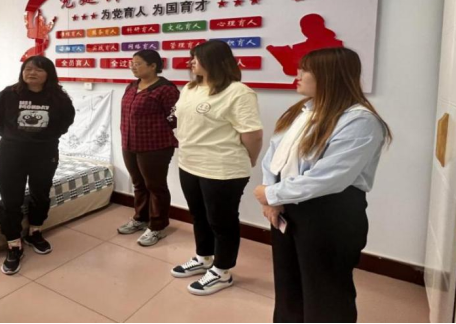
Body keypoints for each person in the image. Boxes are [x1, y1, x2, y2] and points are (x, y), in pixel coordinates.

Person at [254, 48, 392, 323]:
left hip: (330, 215)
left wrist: (272, 194)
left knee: (326, 293)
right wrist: (272, 197)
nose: (297, 74)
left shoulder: (359, 120)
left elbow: (329, 177)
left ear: (330, 75)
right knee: (289, 284)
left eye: (305, 70)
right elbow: (274, 156)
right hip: (286, 207)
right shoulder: (302, 110)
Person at [170, 40, 264, 296]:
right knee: (199, 215)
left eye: (197, 57)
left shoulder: (238, 92)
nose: (191, 62)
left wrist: (250, 159)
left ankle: (222, 271)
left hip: (222, 167)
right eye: (191, 57)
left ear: (214, 61)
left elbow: (253, 134)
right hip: (189, 163)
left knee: (222, 222)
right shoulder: (191, 88)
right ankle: (204, 258)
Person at [0, 56, 76, 275]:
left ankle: (35, 232)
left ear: (49, 74)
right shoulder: (8, 94)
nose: (32, 73)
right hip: (10, 154)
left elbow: (66, 121)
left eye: (38, 70)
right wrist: (14, 135)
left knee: (41, 195)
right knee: (11, 200)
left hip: (44, 154)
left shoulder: (59, 97)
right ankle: (13, 244)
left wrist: (44, 137)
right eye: (27, 69)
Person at [117, 50, 180, 247]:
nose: (132, 67)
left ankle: (157, 226)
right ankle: (140, 219)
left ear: (153, 66)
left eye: (137, 63)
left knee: (156, 186)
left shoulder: (166, 89)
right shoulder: (132, 86)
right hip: (130, 144)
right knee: (138, 184)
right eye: (131, 63)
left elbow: (175, 118)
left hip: (155, 146)